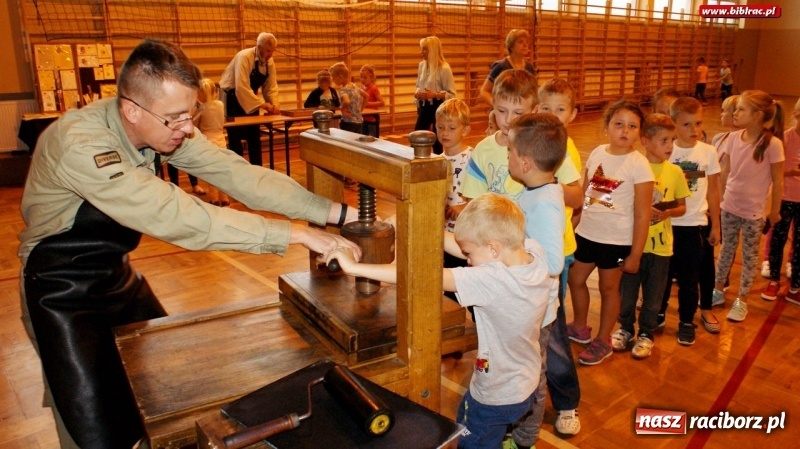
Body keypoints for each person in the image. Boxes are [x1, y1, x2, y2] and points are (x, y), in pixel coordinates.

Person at [17, 38, 360, 449]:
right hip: (59, 293)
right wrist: (294, 234)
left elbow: (236, 174)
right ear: (131, 109)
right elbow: (174, 214)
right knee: (94, 429)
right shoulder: (79, 143)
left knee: (172, 396)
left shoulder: (164, 125)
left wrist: (336, 213)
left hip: (116, 276)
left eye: (191, 112)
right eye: (176, 117)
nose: (188, 127)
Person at [326, 193, 550, 449]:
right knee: (486, 429)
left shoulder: (493, 282)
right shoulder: (533, 253)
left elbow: (419, 276)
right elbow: (469, 245)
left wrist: (353, 267)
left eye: (469, 255)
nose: (467, 260)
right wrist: (409, 226)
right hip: (523, 382)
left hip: (495, 394)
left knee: (474, 442)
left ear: (492, 249)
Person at [567, 100, 654, 366]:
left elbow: (642, 214)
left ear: (640, 133)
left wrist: (635, 254)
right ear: (607, 127)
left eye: (632, 126)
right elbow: (585, 193)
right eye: (618, 124)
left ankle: (603, 339)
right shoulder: (596, 153)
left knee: (608, 288)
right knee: (575, 278)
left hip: (616, 242)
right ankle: (580, 327)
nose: (624, 131)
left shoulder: (639, 165)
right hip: (587, 234)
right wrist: (573, 224)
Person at [503, 113, 566, 449]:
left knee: (531, 378)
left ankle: (524, 439)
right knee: (518, 373)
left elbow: (553, 262)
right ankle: (513, 428)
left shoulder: (545, 204)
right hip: (524, 307)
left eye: (510, 152)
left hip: (536, 314)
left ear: (525, 162)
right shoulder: (535, 190)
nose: (507, 157)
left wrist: (513, 248)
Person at [614, 113, 689, 358]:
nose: (670, 146)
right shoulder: (634, 166)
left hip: (660, 249)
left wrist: (666, 214)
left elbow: (682, 207)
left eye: (672, 140)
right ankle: (625, 328)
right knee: (627, 294)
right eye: (664, 140)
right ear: (646, 141)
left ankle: (646, 333)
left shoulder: (675, 172)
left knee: (653, 296)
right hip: (631, 244)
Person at [534, 78, 583, 436]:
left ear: (573, 115)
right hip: (523, 253)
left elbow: (577, 197)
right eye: (546, 107)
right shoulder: (527, 143)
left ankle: (566, 401)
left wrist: (546, 182)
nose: (552, 115)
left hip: (554, 254)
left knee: (552, 329)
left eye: (560, 109)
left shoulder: (565, 150)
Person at [713, 90, 785, 322]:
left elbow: (778, 179)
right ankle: (717, 289)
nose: (735, 112)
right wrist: (721, 199)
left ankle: (742, 300)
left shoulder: (772, 144)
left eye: (741, 109)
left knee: (750, 256)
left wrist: (774, 210)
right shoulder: (733, 139)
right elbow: (726, 172)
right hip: (730, 206)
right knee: (725, 250)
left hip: (753, 212)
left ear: (757, 115)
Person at [659, 97, 722, 338]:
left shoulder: (708, 152)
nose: (694, 130)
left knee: (690, 278)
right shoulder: (666, 151)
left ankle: (687, 320)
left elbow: (714, 191)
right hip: (667, 224)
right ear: (673, 124)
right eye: (686, 125)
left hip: (695, 224)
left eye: (698, 123)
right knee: (663, 276)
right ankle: (659, 312)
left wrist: (715, 225)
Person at [219, 32, 281, 166]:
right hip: (232, 98)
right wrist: (263, 105)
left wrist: (274, 104)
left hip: (250, 100)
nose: (271, 54)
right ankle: (238, 171)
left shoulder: (269, 61)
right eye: (268, 50)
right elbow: (241, 87)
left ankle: (257, 170)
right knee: (235, 140)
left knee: (254, 137)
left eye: (273, 51)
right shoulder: (244, 57)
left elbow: (270, 86)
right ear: (259, 48)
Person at [761, 98, 800, 304]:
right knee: (778, 239)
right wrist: (791, 171)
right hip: (786, 198)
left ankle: (795, 285)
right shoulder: (785, 139)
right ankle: (774, 280)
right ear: (796, 116)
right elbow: (775, 170)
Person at [414, 36, 457, 155]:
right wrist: (417, 92)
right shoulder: (422, 65)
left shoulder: (444, 68)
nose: (421, 52)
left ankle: (438, 161)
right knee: (418, 134)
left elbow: (452, 94)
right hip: (423, 106)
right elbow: (418, 84)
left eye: (424, 49)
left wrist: (434, 94)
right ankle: (418, 159)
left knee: (437, 138)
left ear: (432, 50)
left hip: (438, 106)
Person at [478, 29, 535, 109]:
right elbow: (484, 91)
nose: (525, 45)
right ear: (511, 46)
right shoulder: (501, 66)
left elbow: (533, 93)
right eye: (520, 42)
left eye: (527, 42)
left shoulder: (529, 68)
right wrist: (497, 107)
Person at [195, 78, 230, 207]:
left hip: (207, 141)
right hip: (221, 139)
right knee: (222, 170)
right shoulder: (220, 104)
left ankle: (214, 198)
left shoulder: (201, 108)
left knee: (211, 171)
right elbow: (223, 121)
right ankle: (225, 197)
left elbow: (195, 124)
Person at [330, 62, 369, 134]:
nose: (333, 80)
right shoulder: (354, 86)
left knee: (346, 143)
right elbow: (366, 96)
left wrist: (343, 109)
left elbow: (347, 101)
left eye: (334, 78)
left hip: (348, 122)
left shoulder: (343, 89)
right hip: (359, 122)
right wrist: (360, 110)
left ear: (340, 77)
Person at [359, 64, 385, 137]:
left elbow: (382, 103)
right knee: (363, 138)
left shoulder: (373, 88)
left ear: (371, 77)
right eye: (361, 78)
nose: (362, 80)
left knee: (373, 140)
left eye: (365, 78)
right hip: (363, 118)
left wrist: (368, 103)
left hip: (372, 118)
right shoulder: (361, 88)